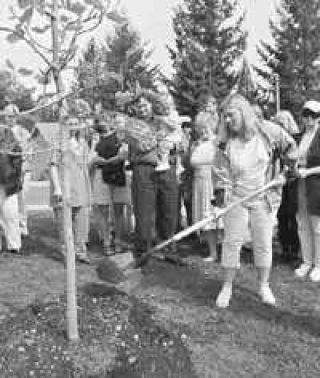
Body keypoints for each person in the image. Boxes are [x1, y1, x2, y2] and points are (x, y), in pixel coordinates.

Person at [215, 94, 297, 308]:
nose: (227, 121)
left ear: (242, 112)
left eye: (230, 115)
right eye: (224, 117)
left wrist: (286, 173)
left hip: (263, 198)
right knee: (232, 243)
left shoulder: (268, 132)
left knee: (263, 243)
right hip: (237, 198)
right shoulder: (225, 141)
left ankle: (263, 285)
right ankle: (227, 286)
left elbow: (292, 149)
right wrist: (221, 201)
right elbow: (220, 173)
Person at [128, 94, 179, 261]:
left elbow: (180, 142)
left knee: (169, 211)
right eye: (139, 107)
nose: (142, 109)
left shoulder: (163, 119)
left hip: (167, 169)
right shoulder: (132, 125)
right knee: (143, 213)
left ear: (151, 105)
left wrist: (175, 142)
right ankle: (142, 252)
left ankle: (167, 248)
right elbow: (142, 146)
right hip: (144, 170)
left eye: (145, 105)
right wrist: (158, 137)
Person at [49, 114, 91, 264]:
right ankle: (67, 253)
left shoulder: (83, 143)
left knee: (81, 223)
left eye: (75, 123)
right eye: (69, 123)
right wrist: (57, 188)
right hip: (64, 188)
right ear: (64, 125)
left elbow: (85, 165)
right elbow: (53, 166)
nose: (73, 126)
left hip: (80, 188)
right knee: (65, 225)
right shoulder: (58, 143)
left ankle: (81, 252)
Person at [89, 114, 131, 255]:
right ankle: (106, 241)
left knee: (119, 210)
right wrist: (96, 160)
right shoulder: (93, 138)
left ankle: (118, 240)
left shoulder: (120, 136)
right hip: (101, 174)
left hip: (117, 173)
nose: (102, 123)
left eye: (105, 120)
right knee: (103, 209)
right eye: (99, 121)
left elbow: (125, 154)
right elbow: (90, 158)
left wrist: (114, 159)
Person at [190, 111, 223, 262]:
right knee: (205, 218)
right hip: (200, 184)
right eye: (201, 128)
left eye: (206, 127)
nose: (203, 131)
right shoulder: (197, 144)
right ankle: (212, 251)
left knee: (217, 217)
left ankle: (224, 250)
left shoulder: (217, 142)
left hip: (213, 183)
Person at [294, 100, 320, 281]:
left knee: (317, 227)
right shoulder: (299, 136)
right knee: (302, 224)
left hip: (317, 185)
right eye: (306, 114)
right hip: (300, 185)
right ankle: (307, 261)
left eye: (313, 115)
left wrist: (308, 171)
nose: (309, 118)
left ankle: (319, 265)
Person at [272, 110, 301, 262]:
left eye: (282, 124)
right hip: (279, 183)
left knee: (293, 216)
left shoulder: (295, 139)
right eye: (277, 124)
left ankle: (295, 249)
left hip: (293, 183)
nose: (280, 127)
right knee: (281, 216)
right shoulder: (276, 142)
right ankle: (285, 249)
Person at [3, 104, 31, 237]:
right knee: (8, 199)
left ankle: (22, 224)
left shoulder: (23, 131)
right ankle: (8, 227)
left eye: (13, 116)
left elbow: (28, 149)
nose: (10, 119)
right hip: (6, 171)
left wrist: (24, 166)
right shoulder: (2, 130)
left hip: (22, 168)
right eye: (8, 116)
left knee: (22, 198)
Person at [0, 121, 23, 254]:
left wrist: (11, 179)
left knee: (11, 215)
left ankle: (14, 245)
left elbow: (17, 165)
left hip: (9, 185)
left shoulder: (13, 146)